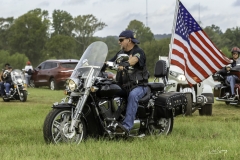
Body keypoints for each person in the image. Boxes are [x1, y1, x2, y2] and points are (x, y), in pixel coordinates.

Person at [108, 30, 149, 134]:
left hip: (139, 86)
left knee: (133, 95)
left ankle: (126, 127)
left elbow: (134, 60)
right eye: (119, 40)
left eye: (121, 40)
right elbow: (110, 62)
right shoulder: (120, 53)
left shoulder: (139, 52)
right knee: (108, 91)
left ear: (129, 40)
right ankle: (109, 121)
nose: (119, 42)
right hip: (124, 86)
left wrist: (125, 64)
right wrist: (99, 65)